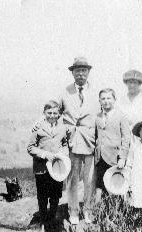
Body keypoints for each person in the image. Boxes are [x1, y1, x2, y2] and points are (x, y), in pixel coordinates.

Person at [58, 57, 99, 224]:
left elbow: (105, 113)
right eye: (77, 70)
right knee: (73, 178)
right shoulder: (65, 91)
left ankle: (88, 210)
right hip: (72, 141)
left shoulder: (96, 92)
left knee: (90, 178)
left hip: (90, 141)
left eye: (84, 70)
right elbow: (54, 111)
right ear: (72, 73)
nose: (81, 73)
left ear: (88, 72)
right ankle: (73, 211)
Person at [27, 100, 69, 229]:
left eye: (55, 113)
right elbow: (30, 148)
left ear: (59, 114)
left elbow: (65, 144)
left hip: (57, 168)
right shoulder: (38, 128)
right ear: (44, 113)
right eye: (49, 113)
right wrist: (45, 154)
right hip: (42, 168)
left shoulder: (62, 128)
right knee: (43, 195)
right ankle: (44, 219)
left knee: (56, 194)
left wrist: (62, 153)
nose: (52, 115)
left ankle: (52, 218)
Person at [94, 88, 131, 198]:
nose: (106, 101)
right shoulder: (97, 117)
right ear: (99, 101)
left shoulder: (121, 116)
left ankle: (116, 213)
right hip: (100, 157)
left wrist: (122, 158)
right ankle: (99, 212)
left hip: (115, 158)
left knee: (115, 187)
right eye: (103, 98)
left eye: (109, 98)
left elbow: (126, 138)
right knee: (100, 186)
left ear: (114, 99)